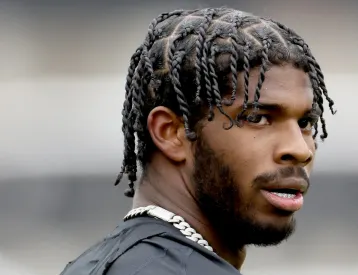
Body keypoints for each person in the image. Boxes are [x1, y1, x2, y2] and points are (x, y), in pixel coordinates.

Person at [59, 7, 336, 275]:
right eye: (257, 118)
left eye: (305, 123)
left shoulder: (88, 267)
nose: (300, 150)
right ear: (171, 133)